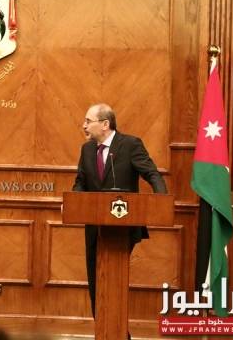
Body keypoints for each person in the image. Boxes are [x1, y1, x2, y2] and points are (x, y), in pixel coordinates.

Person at [72, 103, 167, 336]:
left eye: (88, 121)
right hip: (95, 227)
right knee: (96, 283)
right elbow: (81, 182)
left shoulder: (130, 145)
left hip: (123, 226)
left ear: (105, 124)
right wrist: (74, 200)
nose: (83, 125)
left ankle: (117, 334)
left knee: (113, 281)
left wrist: (161, 198)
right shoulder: (87, 150)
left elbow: (151, 173)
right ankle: (108, 333)